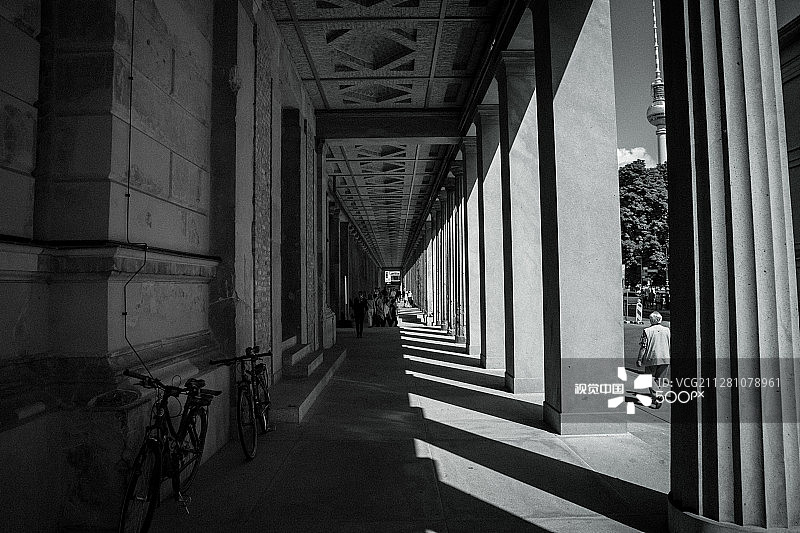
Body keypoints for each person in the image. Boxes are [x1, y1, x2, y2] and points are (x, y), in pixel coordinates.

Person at [637, 311, 670, 408]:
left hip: (651, 357)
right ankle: (657, 398)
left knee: (648, 378)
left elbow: (643, 346)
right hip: (665, 357)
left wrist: (639, 359)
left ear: (651, 320)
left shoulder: (647, 331)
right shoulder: (667, 330)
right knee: (659, 380)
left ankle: (657, 396)